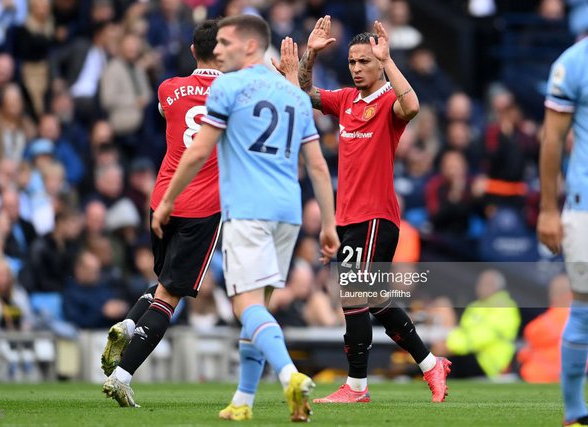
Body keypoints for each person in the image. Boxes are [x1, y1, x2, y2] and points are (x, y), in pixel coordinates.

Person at [154, 15, 339, 422]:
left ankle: (291, 375)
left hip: (248, 212)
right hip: (288, 215)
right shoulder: (293, 96)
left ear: (250, 46)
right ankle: (243, 400)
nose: (217, 51)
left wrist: (167, 200)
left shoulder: (228, 87)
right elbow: (319, 168)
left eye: (225, 43)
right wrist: (328, 225)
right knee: (261, 310)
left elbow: (199, 151)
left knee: (245, 307)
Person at [280, 16, 450, 403]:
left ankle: (357, 387)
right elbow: (303, 93)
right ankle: (428, 364)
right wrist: (309, 55)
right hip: (348, 217)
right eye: (353, 62)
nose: (357, 68)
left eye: (364, 62)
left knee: (355, 296)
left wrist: (388, 60)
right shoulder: (346, 101)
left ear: (377, 63)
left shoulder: (388, 99)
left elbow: (413, 106)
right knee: (371, 301)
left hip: (376, 215)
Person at [101, 20, 223, 407]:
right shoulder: (232, 93)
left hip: (162, 200)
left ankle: (128, 322)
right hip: (202, 206)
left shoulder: (168, 88)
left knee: (165, 282)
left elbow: (165, 110)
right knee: (171, 296)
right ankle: (122, 377)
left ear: (192, 51)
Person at [537, 36, 588, 427]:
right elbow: (552, 139)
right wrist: (548, 209)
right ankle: (574, 411)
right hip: (583, 205)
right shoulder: (573, 62)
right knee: (584, 309)